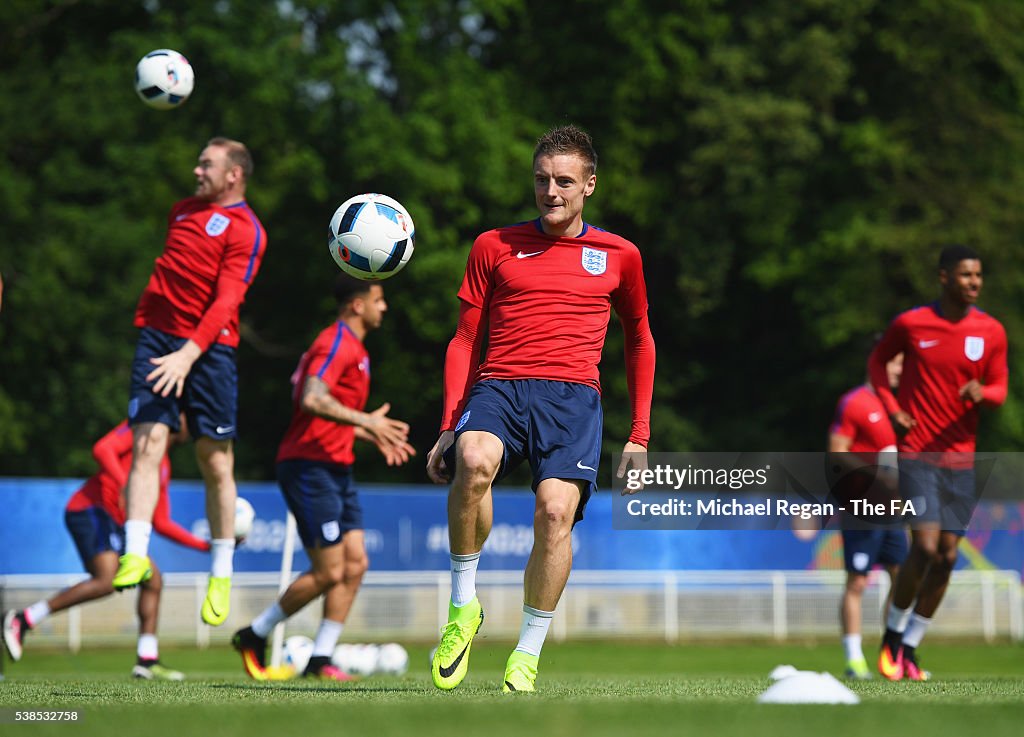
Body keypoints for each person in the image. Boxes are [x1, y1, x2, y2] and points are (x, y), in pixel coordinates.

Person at [425, 124, 655, 693]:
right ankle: (463, 608)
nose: (551, 191)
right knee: (473, 460)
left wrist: (640, 435)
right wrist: (450, 426)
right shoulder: (493, 246)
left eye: (564, 181)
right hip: (500, 385)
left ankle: (526, 654)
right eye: (541, 179)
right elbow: (462, 340)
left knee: (554, 514)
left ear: (589, 186)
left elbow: (641, 341)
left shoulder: (621, 255)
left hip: (574, 400)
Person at [113, 138, 268, 630]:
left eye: (207, 163)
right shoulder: (181, 211)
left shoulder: (247, 230)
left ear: (234, 176)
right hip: (157, 340)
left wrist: (189, 354)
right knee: (147, 442)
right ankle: (134, 553)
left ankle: (220, 572)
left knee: (213, 459)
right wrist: (169, 347)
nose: (196, 169)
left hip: (209, 350)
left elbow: (226, 302)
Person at [232, 274, 414, 681]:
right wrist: (366, 420)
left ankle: (320, 658)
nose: (384, 307)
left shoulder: (357, 350)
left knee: (356, 563)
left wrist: (370, 433)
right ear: (356, 305)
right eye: (379, 299)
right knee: (330, 570)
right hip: (308, 467)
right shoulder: (335, 342)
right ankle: (254, 633)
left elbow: (329, 413)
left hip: (336, 466)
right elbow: (312, 398)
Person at [869, 244, 1007, 681]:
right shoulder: (912, 324)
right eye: (966, 275)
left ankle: (909, 647)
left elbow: (1001, 388)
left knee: (947, 557)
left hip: (961, 461)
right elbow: (877, 363)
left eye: (979, 276)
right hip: (917, 455)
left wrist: (983, 394)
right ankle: (891, 638)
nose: (975, 283)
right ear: (944, 277)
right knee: (925, 548)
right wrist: (893, 409)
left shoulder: (991, 331)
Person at [2, 420, 209, 680]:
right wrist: (125, 483)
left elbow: (162, 521)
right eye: (188, 413)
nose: (192, 420)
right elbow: (102, 449)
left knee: (152, 579)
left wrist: (207, 546)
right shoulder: (144, 427)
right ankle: (24, 618)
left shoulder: (163, 466)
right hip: (89, 509)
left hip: (115, 521)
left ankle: (146, 659)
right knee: (108, 579)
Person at [828, 352, 908, 679]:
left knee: (903, 579)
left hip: (892, 509)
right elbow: (836, 450)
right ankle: (854, 659)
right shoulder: (856, 402)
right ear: (877, 365)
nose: (902, 371)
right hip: (861, 507)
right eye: (896, 363)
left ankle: (894, 656)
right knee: (858, 582)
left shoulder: (898, 408)